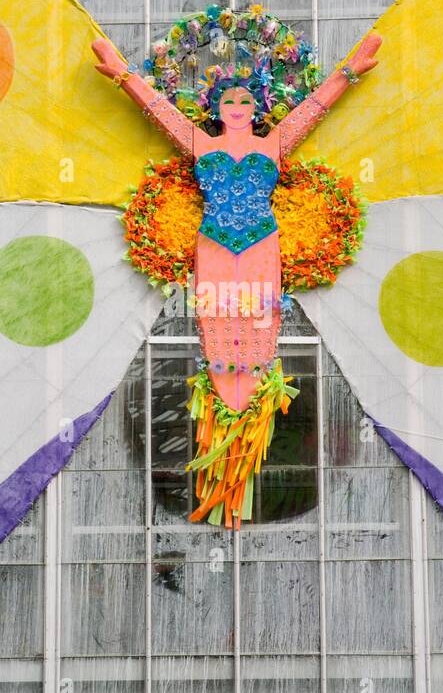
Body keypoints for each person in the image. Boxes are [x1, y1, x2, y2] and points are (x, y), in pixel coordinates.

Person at [93, 32, 382, 412]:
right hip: (212, 242)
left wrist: (349, 72)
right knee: (216, 312)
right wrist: (123, 76)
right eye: (228, 100)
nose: (236, 106)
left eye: (245, 100)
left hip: (262, 242)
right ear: (215, 107)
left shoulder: (273, 144)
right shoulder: (201, 144)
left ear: (258, 106)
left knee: (260, 313)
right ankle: (225, 396)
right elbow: (158, 109)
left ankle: (253, 396)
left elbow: (314, 108)